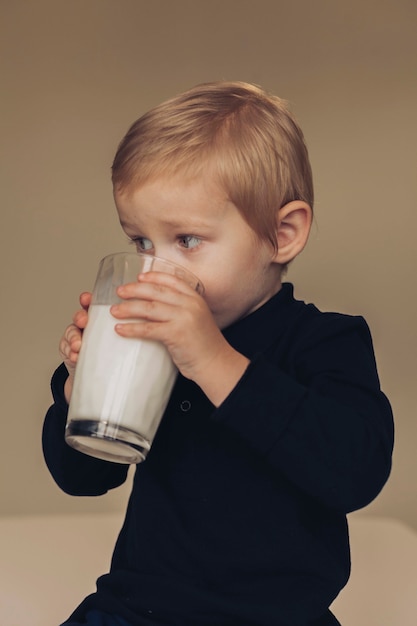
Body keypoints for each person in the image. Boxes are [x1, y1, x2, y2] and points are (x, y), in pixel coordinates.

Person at [42, 81, 394, 626]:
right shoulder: (150, 347)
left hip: (278, 616)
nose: (155, 269)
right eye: (140, 243)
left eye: (186, 240)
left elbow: (354, 473)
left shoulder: (327, 341)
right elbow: (84, 478)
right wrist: (80, 389)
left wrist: (211, 359)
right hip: (139, 607)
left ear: (282, 234)